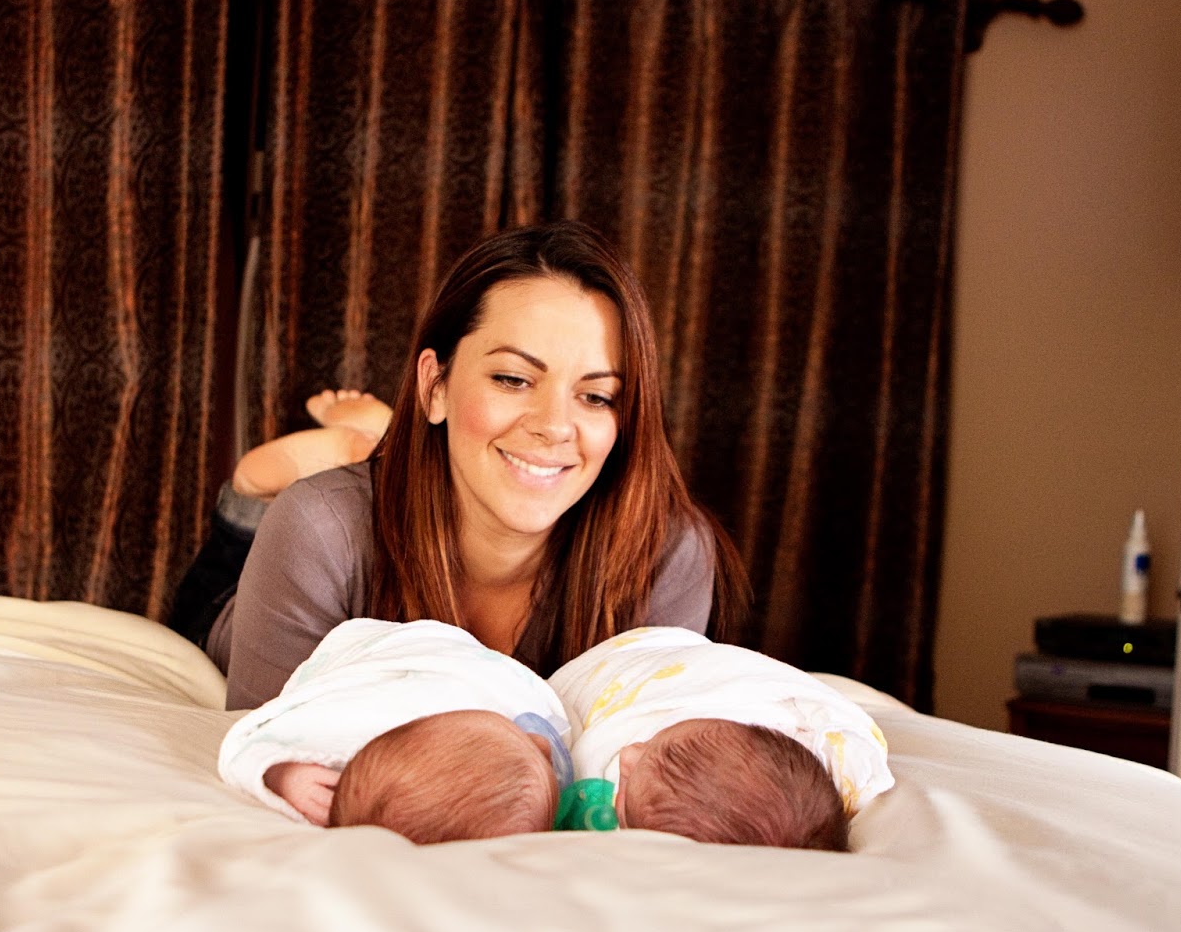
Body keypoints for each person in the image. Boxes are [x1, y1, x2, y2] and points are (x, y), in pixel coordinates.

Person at [168, 220, 748, 712]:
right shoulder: (317, 528)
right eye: (513, 379)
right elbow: (268, 750)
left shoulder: (668, 552)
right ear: (435, 385)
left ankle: (377, 440)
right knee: (230, 574)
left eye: (596, 396)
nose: (554, 425)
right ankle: (312, 467)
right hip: (250, 571)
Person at [218, 617, 573, 843]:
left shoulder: (350, 743)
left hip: (375, 652)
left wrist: (282, 774)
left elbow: (249, 744)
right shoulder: (488, 702)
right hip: (435, 657)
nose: (542, 743)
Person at [547, 626, 896, 851]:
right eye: (658, 738)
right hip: (665, 651)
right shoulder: (814, 738)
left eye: (625, 793)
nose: (628, 753)